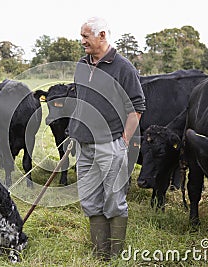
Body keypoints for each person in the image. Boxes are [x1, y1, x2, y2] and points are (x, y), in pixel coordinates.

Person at [68, 17, 146, 260]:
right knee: (90, 201)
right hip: (84, 145)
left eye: (85, 36)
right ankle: (100, 253)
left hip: (110, 144)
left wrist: (123, 140)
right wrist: (74, 131)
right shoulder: (82, 65)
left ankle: (115, 255)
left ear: (101, 35)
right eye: (81, 36)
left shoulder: (124, 68)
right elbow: (80, 101)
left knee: (114, 201)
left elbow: (136, 107)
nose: (82, 41)